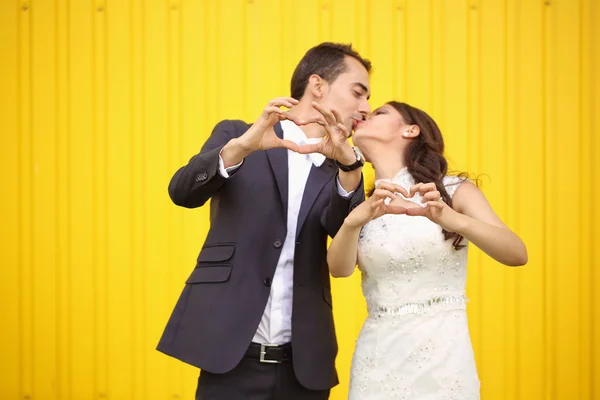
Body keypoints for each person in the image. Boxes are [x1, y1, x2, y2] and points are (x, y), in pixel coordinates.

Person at [157, 42, 372, 400]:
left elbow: (346, 245)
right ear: (317, 86)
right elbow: (182, 192)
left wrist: (349, 169)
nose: (365, 108)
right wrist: (241, 147)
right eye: (358, 92)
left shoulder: (346, 168)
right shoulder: (239, 134)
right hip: (229, 354)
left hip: (305, 366)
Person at [326, 101, 528, 399]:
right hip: (378, 356)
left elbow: (516, 253)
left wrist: (453, 219)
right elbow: (339, 269)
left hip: (443, 357)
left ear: (411, 130)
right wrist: (353, 222)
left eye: (379, 112)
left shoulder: (452, 190)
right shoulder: (363, 204)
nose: (365, 115)